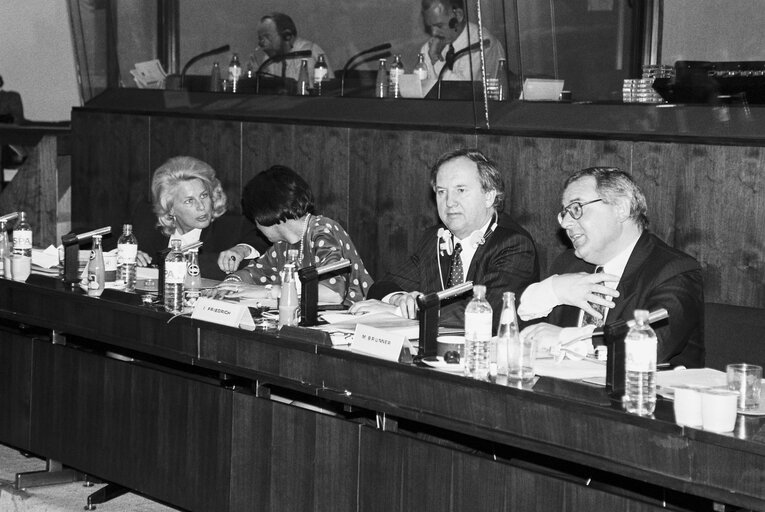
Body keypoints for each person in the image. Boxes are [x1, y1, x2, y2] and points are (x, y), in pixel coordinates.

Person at [518, 167, 704, 368]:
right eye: (564, 213)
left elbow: (649, 345)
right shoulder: (568, 265)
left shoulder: (674, 271)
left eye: (576, 208)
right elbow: (514, 332)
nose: (565, 223)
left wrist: (566, 338)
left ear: (621, 208)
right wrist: (552, 290)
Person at [350, 148, 538, 329]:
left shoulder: (513, 244)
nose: (449, 202)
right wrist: (398, 299)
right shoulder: (435, 238)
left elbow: (486, 312)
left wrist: (402, 312)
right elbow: (382, 286)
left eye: (461, 190)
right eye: (441, 192)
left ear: (489, 196)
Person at [219, 165, 373, 306]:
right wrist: (232, 283)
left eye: (254, 220)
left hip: (354, 321)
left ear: (265, 214)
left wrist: (268, 291)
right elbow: (254, 273)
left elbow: (333, 294)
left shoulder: (323, 230)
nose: (256, 227)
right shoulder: (282, 245)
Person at [133, 156, 268, 281]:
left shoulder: (230, 225)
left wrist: (241, 250)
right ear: (170, 208)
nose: (201, 207)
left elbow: (263, 240)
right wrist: (128, 256)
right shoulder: (146, 220)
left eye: (204, 196)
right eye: (189, 201)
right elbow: (115, 244)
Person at [419, 0, 506, 82]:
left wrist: (435, 60)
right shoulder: (431, 46)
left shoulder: (481, 44)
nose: (434, 32)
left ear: (458, 16)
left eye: (439, 25)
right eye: (430, 27)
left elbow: (463, 91)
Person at [255, 12, 332, 87]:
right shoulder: (268, 59)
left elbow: (304, 91)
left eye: (268, 37)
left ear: (287, 36)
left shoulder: (307, 52)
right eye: (260, 38)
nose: (262, 43)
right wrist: (257, 78)